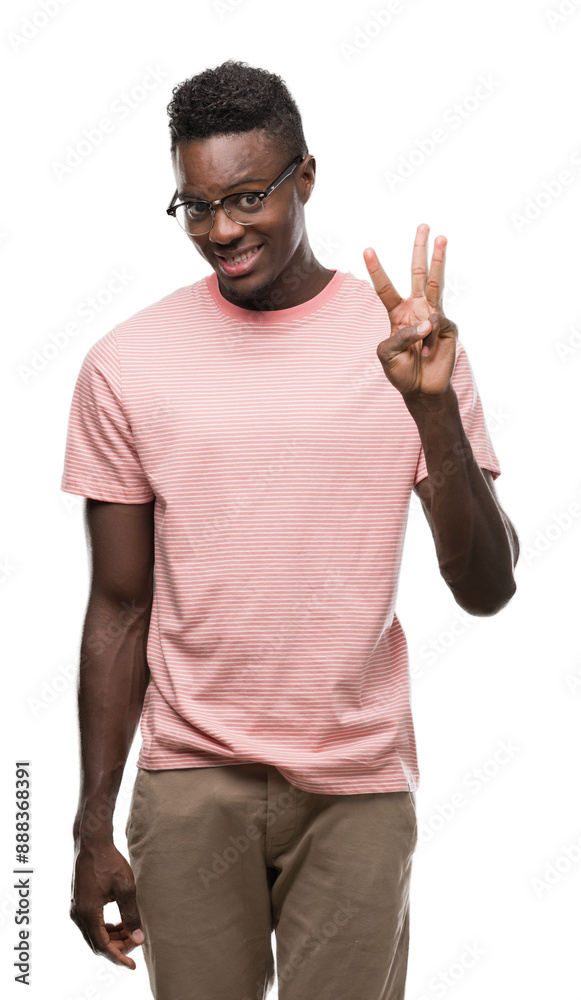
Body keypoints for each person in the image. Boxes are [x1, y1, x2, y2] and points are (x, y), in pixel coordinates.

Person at [60, 59, 519, 1000]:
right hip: (189, 785)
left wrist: (430, 412)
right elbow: (116, 603)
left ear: (305, 175)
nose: (222, 230)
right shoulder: (125, 365)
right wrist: (90, 825)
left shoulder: (406, 346)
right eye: (196, 206)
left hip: (355, 785)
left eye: (248, 196)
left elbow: (488, 588)